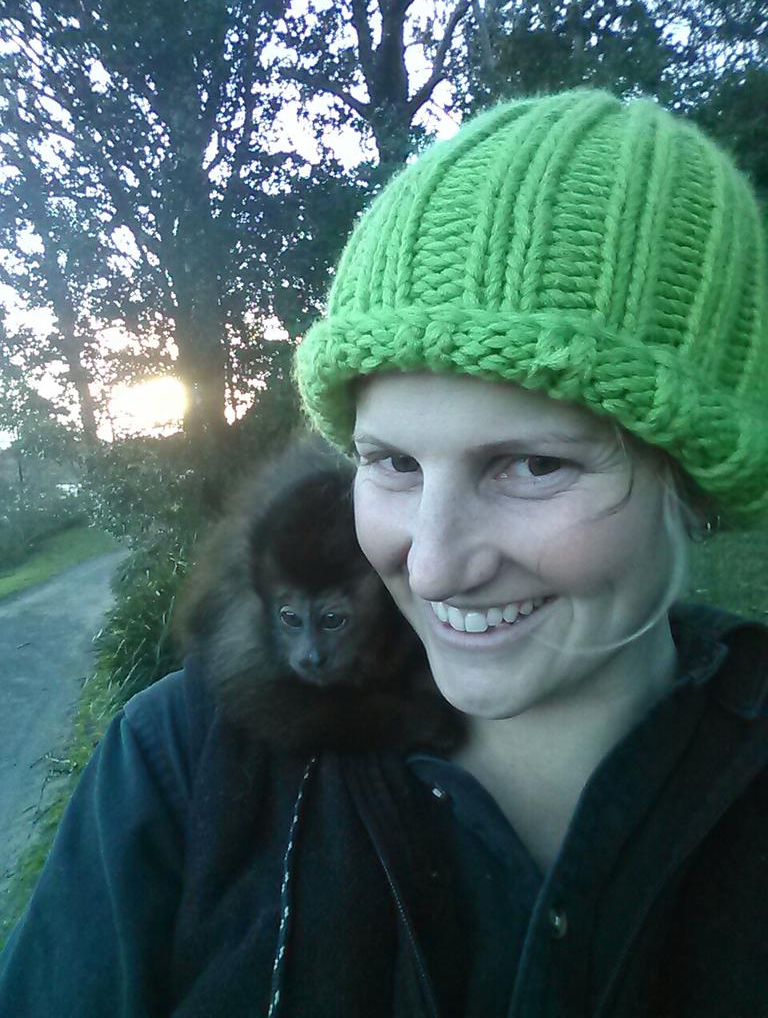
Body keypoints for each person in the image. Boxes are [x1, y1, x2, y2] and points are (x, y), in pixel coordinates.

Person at [1, 88, 767, 1017]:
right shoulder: (180, 767)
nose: (434, 565)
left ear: (688, 479)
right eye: (392, 461)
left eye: (532, 464)